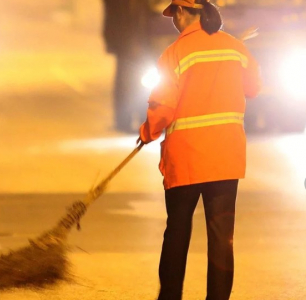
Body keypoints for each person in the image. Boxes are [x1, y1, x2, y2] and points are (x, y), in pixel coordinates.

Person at [137, 0, 261, 299]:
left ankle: (170, 296)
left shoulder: (174, 54)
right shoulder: (234, 47)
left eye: (174, 14)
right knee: (221, 238)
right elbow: (254, 87)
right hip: (225, 159)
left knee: (177, 231)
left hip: (186, 159)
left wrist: (147, 132)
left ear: (182, 12)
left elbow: (163, 105)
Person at [101, 0, 168, 132]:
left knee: (146, 79)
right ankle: (125, 120)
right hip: (128, 40)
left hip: (144, 39)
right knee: (128, 81)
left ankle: (144, 118)